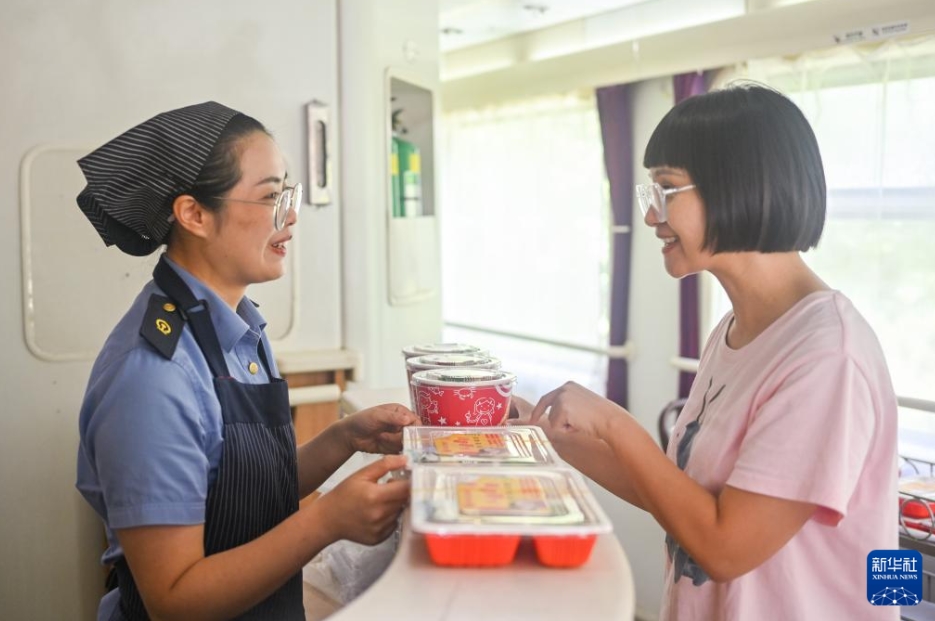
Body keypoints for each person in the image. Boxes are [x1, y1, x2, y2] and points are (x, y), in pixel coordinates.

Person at [526, 83, 898, 620]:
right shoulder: (735, 329)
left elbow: (725, 547)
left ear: (737, 186)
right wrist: (541, 429)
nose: (652, 217)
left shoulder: (827, 356)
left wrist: (612, 422)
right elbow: (679, 492)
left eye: (667, 189)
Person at [75, 102, 419, 621]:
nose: (292, 214)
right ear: (193, 214)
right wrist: (325, 522)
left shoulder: (236, 327)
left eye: (288, 194)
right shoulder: (151, 376)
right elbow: (174, 599)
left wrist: (344, 440)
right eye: (270, 197)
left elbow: (242, 495)